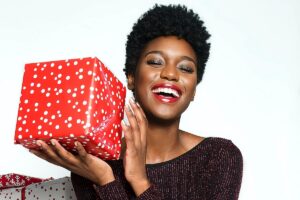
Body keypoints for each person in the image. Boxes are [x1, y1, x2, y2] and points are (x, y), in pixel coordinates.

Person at [30, 4, 243, 199]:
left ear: (194, 89)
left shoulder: (219, 156)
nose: (170, 74)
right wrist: (105, 179)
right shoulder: (94, 163)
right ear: (131, 78)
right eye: (155, 62)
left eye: (185, 68)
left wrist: (139, 180)